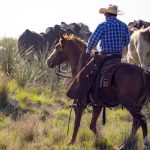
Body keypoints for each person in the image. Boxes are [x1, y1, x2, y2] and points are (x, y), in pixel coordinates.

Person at [66, 4, 130, 102]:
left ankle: (79, 97)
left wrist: (87, 51)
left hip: (104, 57)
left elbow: (92, 40)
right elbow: (127, 41)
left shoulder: (103, 25)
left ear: (107, 14)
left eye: (105, 14)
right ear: (116, 15)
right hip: (117, 58)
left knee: (83, 73)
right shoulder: (124, 26)